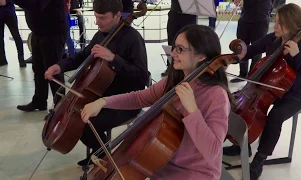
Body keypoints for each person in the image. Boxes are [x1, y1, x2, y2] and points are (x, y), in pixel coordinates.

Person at [80, 24, 233, 180]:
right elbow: (139, 98)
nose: (173, 53)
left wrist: (192, 110)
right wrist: (103, 102)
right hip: (161, 165)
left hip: (194, 173)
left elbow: (212, 150)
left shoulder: (216, 95)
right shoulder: (175, 81)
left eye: (180, 49)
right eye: (174, 47)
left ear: (201, 56)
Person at [44, 0, 149, 167]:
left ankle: (104, 157)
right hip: (100, 95)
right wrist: (59, 66)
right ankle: (99, 152)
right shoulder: (100, 35)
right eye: (96, 17)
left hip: (125, 99)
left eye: (102, 18)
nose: (97, 22)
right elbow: (82, 56)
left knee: (87, 121)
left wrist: (113, 59)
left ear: (117, 15)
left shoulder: (133, 39)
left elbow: (142, 77)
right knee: (78, 118)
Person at [224, 3, 301, 180]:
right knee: (237, 106)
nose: (274, 26)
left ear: (292, 24)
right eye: (275, 21)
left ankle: (259, 160)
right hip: (264, 89)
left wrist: (297, 56)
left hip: (293, 96)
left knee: (274, 117)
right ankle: (242, 145)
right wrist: (232, 58)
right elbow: (250, 51)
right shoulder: (272, 40)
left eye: (279, 23)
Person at [14, 0, 67, 111]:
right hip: (38, 30)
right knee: (38, 68)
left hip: (53, 31)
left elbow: (35, 4)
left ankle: (60, 107)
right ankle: (39, 101)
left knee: (53, 70)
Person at [230, 0, 273, 83]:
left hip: (261, 16)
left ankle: (253, 76)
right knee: (240, 46)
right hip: (245, 16)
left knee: (257, 48)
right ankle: (243, 74)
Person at [161, 0, 197, 77]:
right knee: (171, 41)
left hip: (190, 15)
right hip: (174, 13)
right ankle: (171, 66)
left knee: (189, 42)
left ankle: (189, 66)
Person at [0, 0, 26, 67]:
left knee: (16, 36)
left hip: (9, 13)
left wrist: (7, 1)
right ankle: (2, 59)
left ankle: (21, 59)